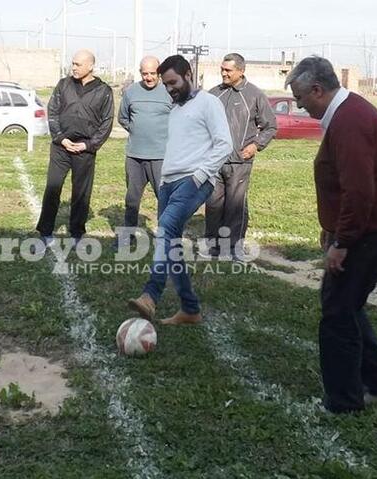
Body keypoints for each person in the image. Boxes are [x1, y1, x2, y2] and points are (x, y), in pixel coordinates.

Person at [285, 56, 377, 413]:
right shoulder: (345, 115)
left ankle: (343, 401)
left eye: (300, 97)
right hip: (372, 232)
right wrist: (333, 231)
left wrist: (342, 243)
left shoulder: (350, 121)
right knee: (346, 304)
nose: (298, 105)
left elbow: (359, 192)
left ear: (317, 89)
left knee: (337, 312)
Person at [128, 55, 232, 325]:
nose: (169, 88)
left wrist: (199, 176)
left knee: (165, 228)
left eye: (173, 82)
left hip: (194, 181)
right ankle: (190, 309)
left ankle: (151, 295)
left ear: (188, 74)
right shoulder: (174, 111)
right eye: (166, 84)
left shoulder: (209, 103)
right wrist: (163, 182)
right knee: (170, 243)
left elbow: (224, 144)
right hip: (169, 183)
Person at [36, 49, 114, 247]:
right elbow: (52, 111)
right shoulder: (64, 84)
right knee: (53, 187)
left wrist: (89, 144)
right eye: (73, 64)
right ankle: (45, 230)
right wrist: (60, 138)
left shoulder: (104, 91)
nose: (74, 68)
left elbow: (106, 123)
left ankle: (77, 232)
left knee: (81, 192)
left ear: (91, 66)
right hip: (61, 147)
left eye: (78, 64)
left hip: (85, 149)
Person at [203, 53, 277, 259]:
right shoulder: (213, 94)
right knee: (213, 204)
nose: (223, 73)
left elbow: (270, 126)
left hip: (240, 161)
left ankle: (233, 247)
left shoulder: (254, 95)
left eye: (228, 70)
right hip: (214, 162)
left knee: (235, 205)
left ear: (241, 71)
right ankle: (213, 247)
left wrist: (256, 145)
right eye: (222, 69)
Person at [116, 56, 172, 249]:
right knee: (132, 199)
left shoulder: (169, 92)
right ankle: (127, 236)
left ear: (160, 73)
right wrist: (137, 130)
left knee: (164, 199)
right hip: (135, 156)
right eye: (144, 73)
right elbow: (123, 118)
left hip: (161, 157)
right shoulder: (131, 92)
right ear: (140, 73)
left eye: (152, 73)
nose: (148, 77)